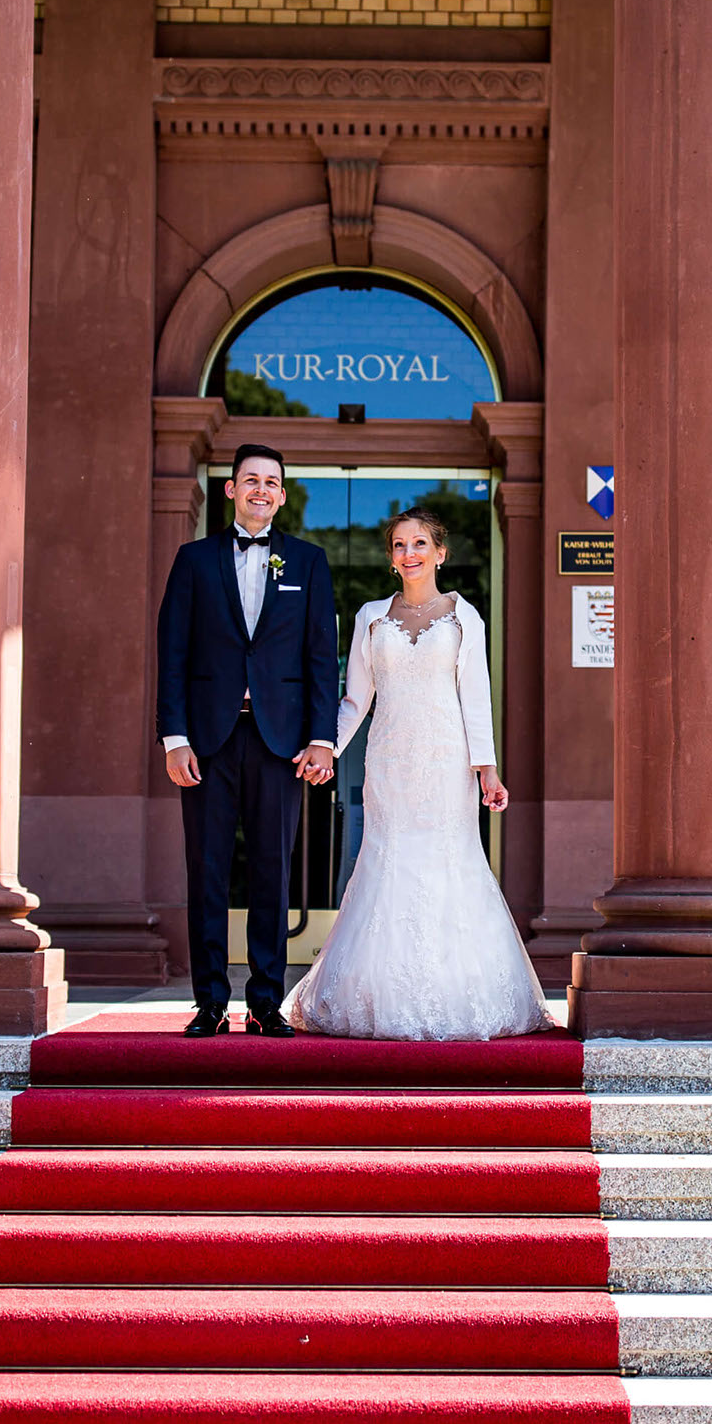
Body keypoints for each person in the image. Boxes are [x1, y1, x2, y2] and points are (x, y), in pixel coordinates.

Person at [286, 507, 552, 1040]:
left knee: (445, 861)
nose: (410, 554)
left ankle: (456, 990)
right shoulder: (369, 617)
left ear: (440, 553)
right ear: (391, 558)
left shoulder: (463, 617)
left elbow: (475, 696)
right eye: (400, 545)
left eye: (420, 544)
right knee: (387, 860)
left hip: (445, 761)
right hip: (388, 759)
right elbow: (355, 697)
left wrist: (487, 770)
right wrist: (328, 748)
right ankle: (375, 993)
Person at [154, 444, 340, 1037]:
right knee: (206, 868)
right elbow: (173, 655)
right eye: (250, 480)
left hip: (280, 740)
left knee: (271, 870)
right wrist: (174, 738)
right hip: (207, 739)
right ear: (230, 489)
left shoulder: (308, 563)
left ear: (283, 495)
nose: (261, 490)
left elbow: (320, 657)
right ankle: (209, 1002)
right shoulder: (193, 561)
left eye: (272, 482)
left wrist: (321, 738)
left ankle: (264, 1002)